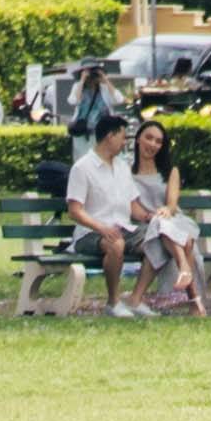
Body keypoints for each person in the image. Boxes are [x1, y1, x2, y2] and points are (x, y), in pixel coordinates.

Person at [62, 118, 154, 316]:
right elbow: (74, 211)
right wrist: (101, 228)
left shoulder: (122, 167)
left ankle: (136, 299)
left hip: (122, 228)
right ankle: (113, 302)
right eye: (122, 137)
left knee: (156, 240)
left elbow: (133, 207)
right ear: (110, 136)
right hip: (90, 233)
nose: (125, 143)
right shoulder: (82, 168)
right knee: (116, 243)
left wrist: (150, 217)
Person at [128, 116, 211, 310]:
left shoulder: (170, 171)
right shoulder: (126, 172)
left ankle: (137, 298)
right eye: (149, 138)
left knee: (169, 228)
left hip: (172, 220)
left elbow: (172, 204)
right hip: (145, 225)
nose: (153, 144)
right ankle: (194, 301)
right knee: (184, 241)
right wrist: (151, 217)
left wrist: (166, 210)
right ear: (138, 138)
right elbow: (132, 206)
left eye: (159, 141)